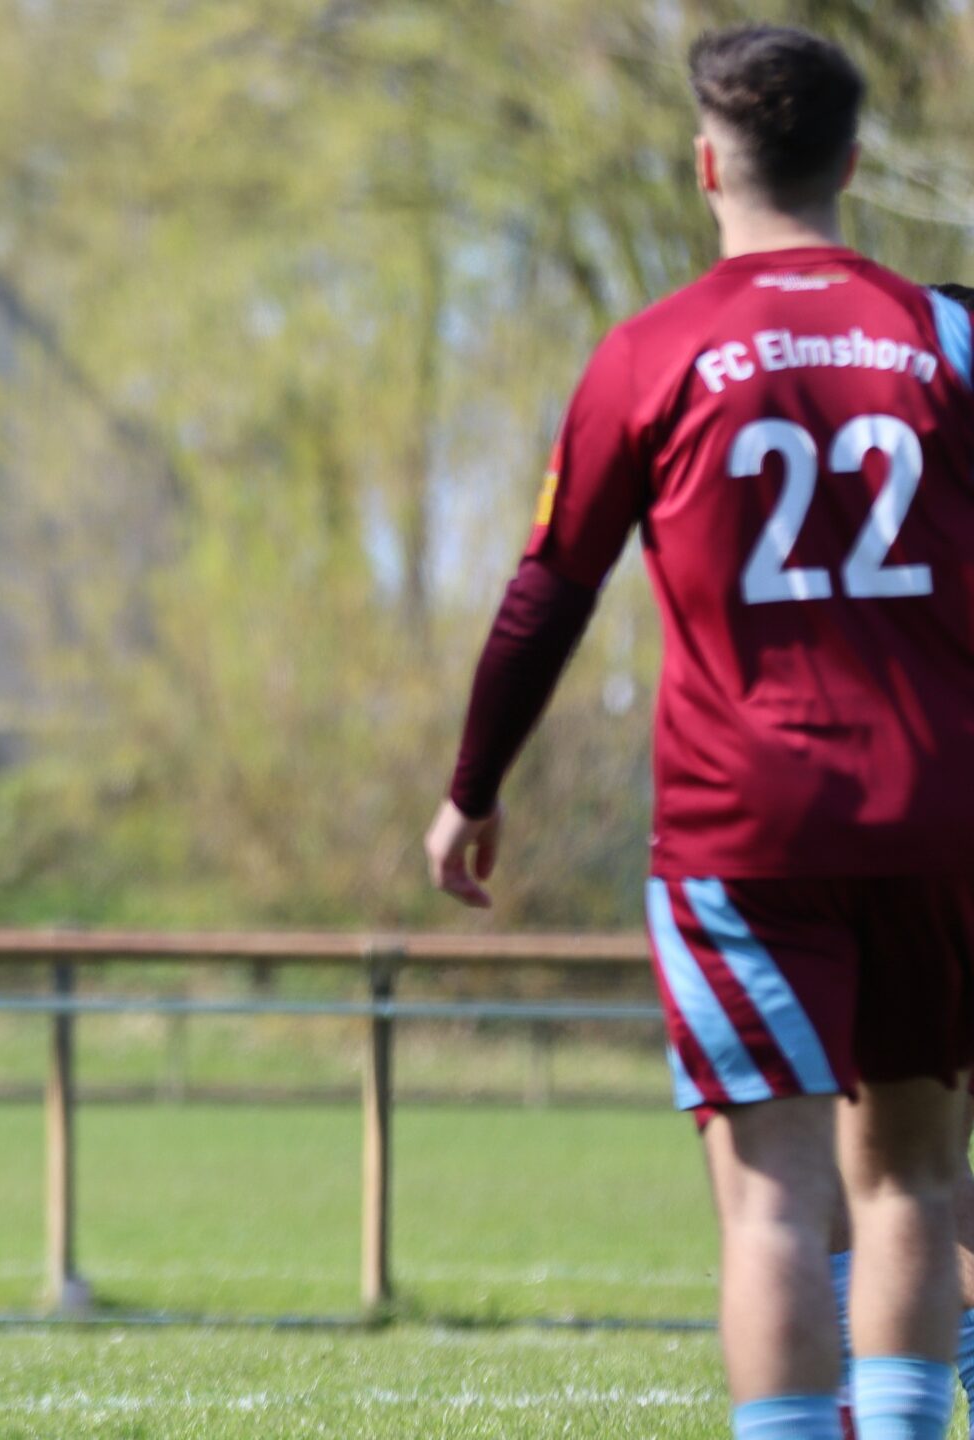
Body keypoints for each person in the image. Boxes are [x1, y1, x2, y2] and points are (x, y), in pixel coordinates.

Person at [424, 26, 974, 1440]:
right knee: (915, 1174)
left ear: (704, 163)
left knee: (780, 1192)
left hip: (745, 827)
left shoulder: (650, 352)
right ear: (852, 162)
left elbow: (549, 588)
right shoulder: (953, 338)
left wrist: (474, 786)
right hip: (940, 813)